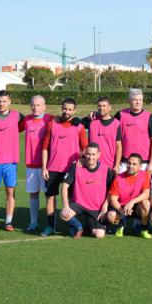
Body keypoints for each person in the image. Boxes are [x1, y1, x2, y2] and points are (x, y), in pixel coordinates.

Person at [41, 98, 88, 236]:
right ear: (61, 108)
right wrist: (44, 167)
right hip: (53, 168)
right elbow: (45, 147)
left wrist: (80, 158)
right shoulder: (52, 124)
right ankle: (50, 226)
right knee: (50, 197)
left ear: (74, 111)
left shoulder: (78, 127)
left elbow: (85, 148)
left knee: (75, 199)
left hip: (71, 169)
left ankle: (75, 226)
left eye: (69, 109)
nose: (66, 112)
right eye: (64, 109)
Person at [0, 90, 25, 233]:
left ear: (9, 102)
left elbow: (30, 122)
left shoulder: (17, 116)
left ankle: (8, 221)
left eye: (4, 101)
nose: (1, 104)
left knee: (10, 191)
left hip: (10, 161)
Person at [60, 143, 116, 239]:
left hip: (96, 208)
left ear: (99, 155)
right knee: (64, 214)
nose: (90, 157)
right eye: (88, 154)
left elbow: (113, 190)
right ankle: (79, 227)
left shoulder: (106, 170)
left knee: (99, 235)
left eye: (93, 154)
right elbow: (64, 186)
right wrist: (66, 206)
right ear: (85, 154)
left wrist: (105, 205)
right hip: (79, 204)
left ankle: (87, 226)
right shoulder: (76, 167)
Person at [101, 154, 152, 239]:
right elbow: (113, 199)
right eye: (129, 163)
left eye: (134, 164)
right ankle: (119, 226)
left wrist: (133, 201)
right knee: (111, 216)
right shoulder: (118, 178)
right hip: (120, 207)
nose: (130, 166)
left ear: (140, 166)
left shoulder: (145, 175)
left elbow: (146, 194)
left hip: (135, 207)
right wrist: (122, 212)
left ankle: (143, 230)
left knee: (146, 203)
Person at [22, 95, 54, 232]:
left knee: (48, 196)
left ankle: (50, 224)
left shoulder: (50, 119)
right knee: (33, 194)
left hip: (46, 166)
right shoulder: (26, 120)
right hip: (31, 165)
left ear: (44, 106)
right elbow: (12, 126)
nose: (35, 107)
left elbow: (68, 119)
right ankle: (33, 222)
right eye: (33, 105)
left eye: (38, 105)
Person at [114, 88, 152, 174]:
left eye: (140, 100)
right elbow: (107, 119)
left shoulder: (149, 117)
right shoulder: (120, 115)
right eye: (135, 100)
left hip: (144, 164)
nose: (138, 102)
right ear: (129, 100)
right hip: (125, 163)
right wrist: (95, 114)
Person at [82, 96, 122, 171]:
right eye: (99, 106)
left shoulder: (116, 124)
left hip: (110, 165)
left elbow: (118, 146)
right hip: (91, 163)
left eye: (104, 106)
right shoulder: (91, 120)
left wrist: (117, 165)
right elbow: (75, 124)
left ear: (109, 107)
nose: (101, 108)